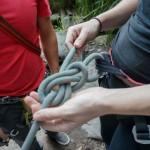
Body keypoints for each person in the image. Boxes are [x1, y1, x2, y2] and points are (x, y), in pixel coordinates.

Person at [25, 0, 150, 149]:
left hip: (142, 117)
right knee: (108, 137)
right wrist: (98, 22)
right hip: (111, 83)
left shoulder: (102, 101)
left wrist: (100, 101)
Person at [0, 0, 70, 149]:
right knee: (27, 141)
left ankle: (53, 132)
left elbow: (47, 32)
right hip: (4, 104)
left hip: (40, 83)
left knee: (51, 119)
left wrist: (55, 76)